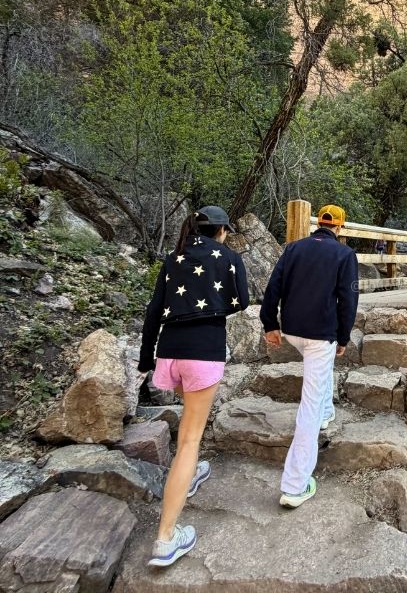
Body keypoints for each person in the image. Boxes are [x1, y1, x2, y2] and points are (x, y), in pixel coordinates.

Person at [138, 206, 248, 567]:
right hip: (204, 351)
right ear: (219, 231)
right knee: (189, 439)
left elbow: (155, 309)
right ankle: (166, 539)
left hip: (170, 351)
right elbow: (242, 300)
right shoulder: (228, 258)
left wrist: (145, 358)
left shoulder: (173, 259)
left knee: (188, 421)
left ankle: (193, 470)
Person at [260, 204, 359, 509]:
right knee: (309, 403)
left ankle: (327, 412)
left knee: (319, 373)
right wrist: (343, 336)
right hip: (321, 334)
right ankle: (295, 484)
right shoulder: (344, 255)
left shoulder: (293, 248)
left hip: (292, 330)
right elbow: (348, 299)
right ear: (339, 228)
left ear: (319, 223)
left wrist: (270, 324)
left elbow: (273, 286)